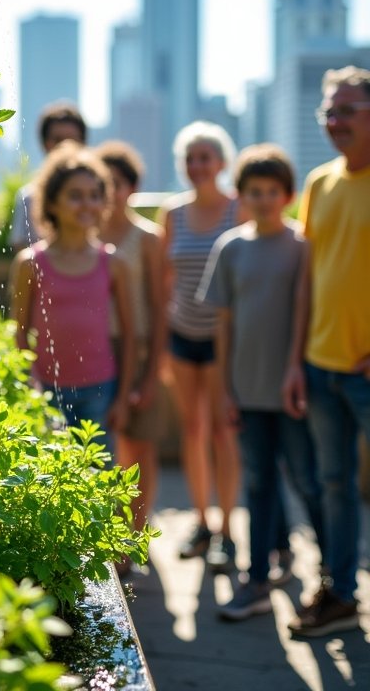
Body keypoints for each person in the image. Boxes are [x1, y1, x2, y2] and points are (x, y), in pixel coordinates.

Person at [198, 144, 325, 621]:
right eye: (255, 191)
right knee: (259, 482)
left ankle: (330, 576)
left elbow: (304, 313)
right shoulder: (230, 247)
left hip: (293, 389)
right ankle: (255, 580)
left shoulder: (302, 246)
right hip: (246, 390)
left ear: (289, 195)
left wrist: (296, 370)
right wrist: (225, 389)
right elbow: (224, 324)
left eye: (274, 191)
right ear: (241, 195)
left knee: (308, 479)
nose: (265, 199)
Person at [283, 65, 370, 639]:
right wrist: (295, 360)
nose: (335, 122)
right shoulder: (318, 183)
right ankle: (340, 593)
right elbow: (307, 279)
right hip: (319, 364)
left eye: (347, 111)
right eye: (329, 112)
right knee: (333, 484)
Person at [9, 141, 135, 455]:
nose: (87, 205)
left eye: (95, 196)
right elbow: (18, 331)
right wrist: (30, 382)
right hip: (45, 391)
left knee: (99, 481)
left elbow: (131, 336)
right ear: (51, 203)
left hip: (100, 390)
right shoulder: (30, 263)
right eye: (75, 196)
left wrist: (122, 398)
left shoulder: (114, 263)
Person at [161, 121, 242, 571]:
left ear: (222, 163)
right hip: (180, 334)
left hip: (222, 338)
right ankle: (202, 522)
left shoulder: (239, 209)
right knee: (192, 429)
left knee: (222, 432)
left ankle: (229, 532)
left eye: (205, 157)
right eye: (190, 158)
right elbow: (163, 281)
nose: (197, 166)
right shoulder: (172, 213)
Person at [96, 140, 166, 532]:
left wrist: (151, 372)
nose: (111, 191)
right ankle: (106, 534)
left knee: (139, 447)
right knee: (103, 448)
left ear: (133, 187)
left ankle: (134, 537)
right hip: (93, 349)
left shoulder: (148, 237)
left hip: (136, 347)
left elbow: (158, 309)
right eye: (103, 182)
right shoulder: (85, 236)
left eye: (118, 182)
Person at [10, 101, 87, 252]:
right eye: (57, 140)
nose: (64, 146)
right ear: (44, 143)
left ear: (83, 143)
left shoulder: (101, 195)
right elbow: (21, 251)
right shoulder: (28, 198)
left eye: (72, 140)